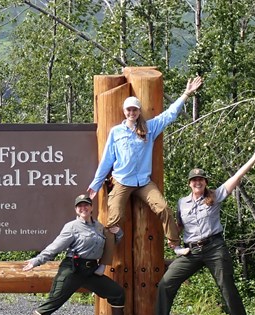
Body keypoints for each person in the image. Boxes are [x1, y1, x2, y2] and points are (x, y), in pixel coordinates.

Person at [140, 140, 255, 315]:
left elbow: (236, 178)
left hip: (214, 248)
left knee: (227, 287)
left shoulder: (215, 196)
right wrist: (174, 243)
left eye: (201, 180)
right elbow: (177, 225)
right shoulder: (181, 203)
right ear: (189, 183)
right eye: (194, 180)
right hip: (191, 251)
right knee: (166, 284)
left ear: (205, 182)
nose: (198, 183)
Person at [87, 76, 203, 247]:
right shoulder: (116, 132)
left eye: (134, 110)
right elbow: (107, 160)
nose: (131, 113)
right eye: (128, 110)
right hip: (122, 181)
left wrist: (186, 93)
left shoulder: (149, 128)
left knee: (163, 208)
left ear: (139, 111)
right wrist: (95, 185)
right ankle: (105, 256)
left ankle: (175, 244)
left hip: (143, 182)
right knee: (113, 219)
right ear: (124, 111)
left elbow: (169, 114)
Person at [19, 194, 139, 315]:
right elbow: (55, 247)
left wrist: (119, 233)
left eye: (86, 205)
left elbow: (110, 244)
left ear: (91, 208)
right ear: (76, 209)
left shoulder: (99, 226)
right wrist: (37, 261)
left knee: (117, 293)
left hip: (91, 271)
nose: (83, 208)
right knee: (53, 303)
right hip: (72, 270)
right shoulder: (72, 227)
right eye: (80, 206)